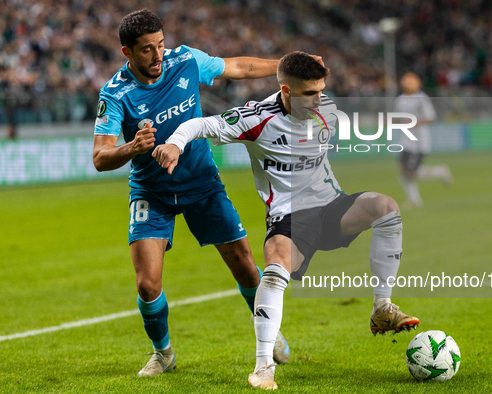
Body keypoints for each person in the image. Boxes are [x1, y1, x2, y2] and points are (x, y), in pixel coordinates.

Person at [153, 51, 420, 389]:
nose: (319, 99)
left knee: (386, 207)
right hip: (289, 218)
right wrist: (175, 144)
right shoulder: (256, 118)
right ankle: (263, 367)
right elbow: (200, 124)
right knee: (276, 267)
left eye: (321, 90)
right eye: (310, 93)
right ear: (286, 91)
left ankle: (382, 307)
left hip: (332, 207)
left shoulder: (327, 111)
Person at [92, 9, 294, 376]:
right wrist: (132, 148)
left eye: (160, 45)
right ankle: (163, 352)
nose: (157, 56)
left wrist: (287, 66)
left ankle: (269, 330)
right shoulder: (115, 93)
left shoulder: (185, 59)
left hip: (202, 182)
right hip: (150, 191)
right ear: (127, 53)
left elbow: (238, 68)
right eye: (146, 51)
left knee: (246, 267)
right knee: (147, 282)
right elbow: (100, 157)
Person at [395, 72, 452, 208]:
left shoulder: (421, 98)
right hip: (406, 140)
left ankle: (439, 172)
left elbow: (431, 117)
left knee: (412, 172)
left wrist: (415, 123)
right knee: (404, 170)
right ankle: (414, 200)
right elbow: (397, 117)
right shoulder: (400, 99)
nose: (406, 83)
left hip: (419, 141)